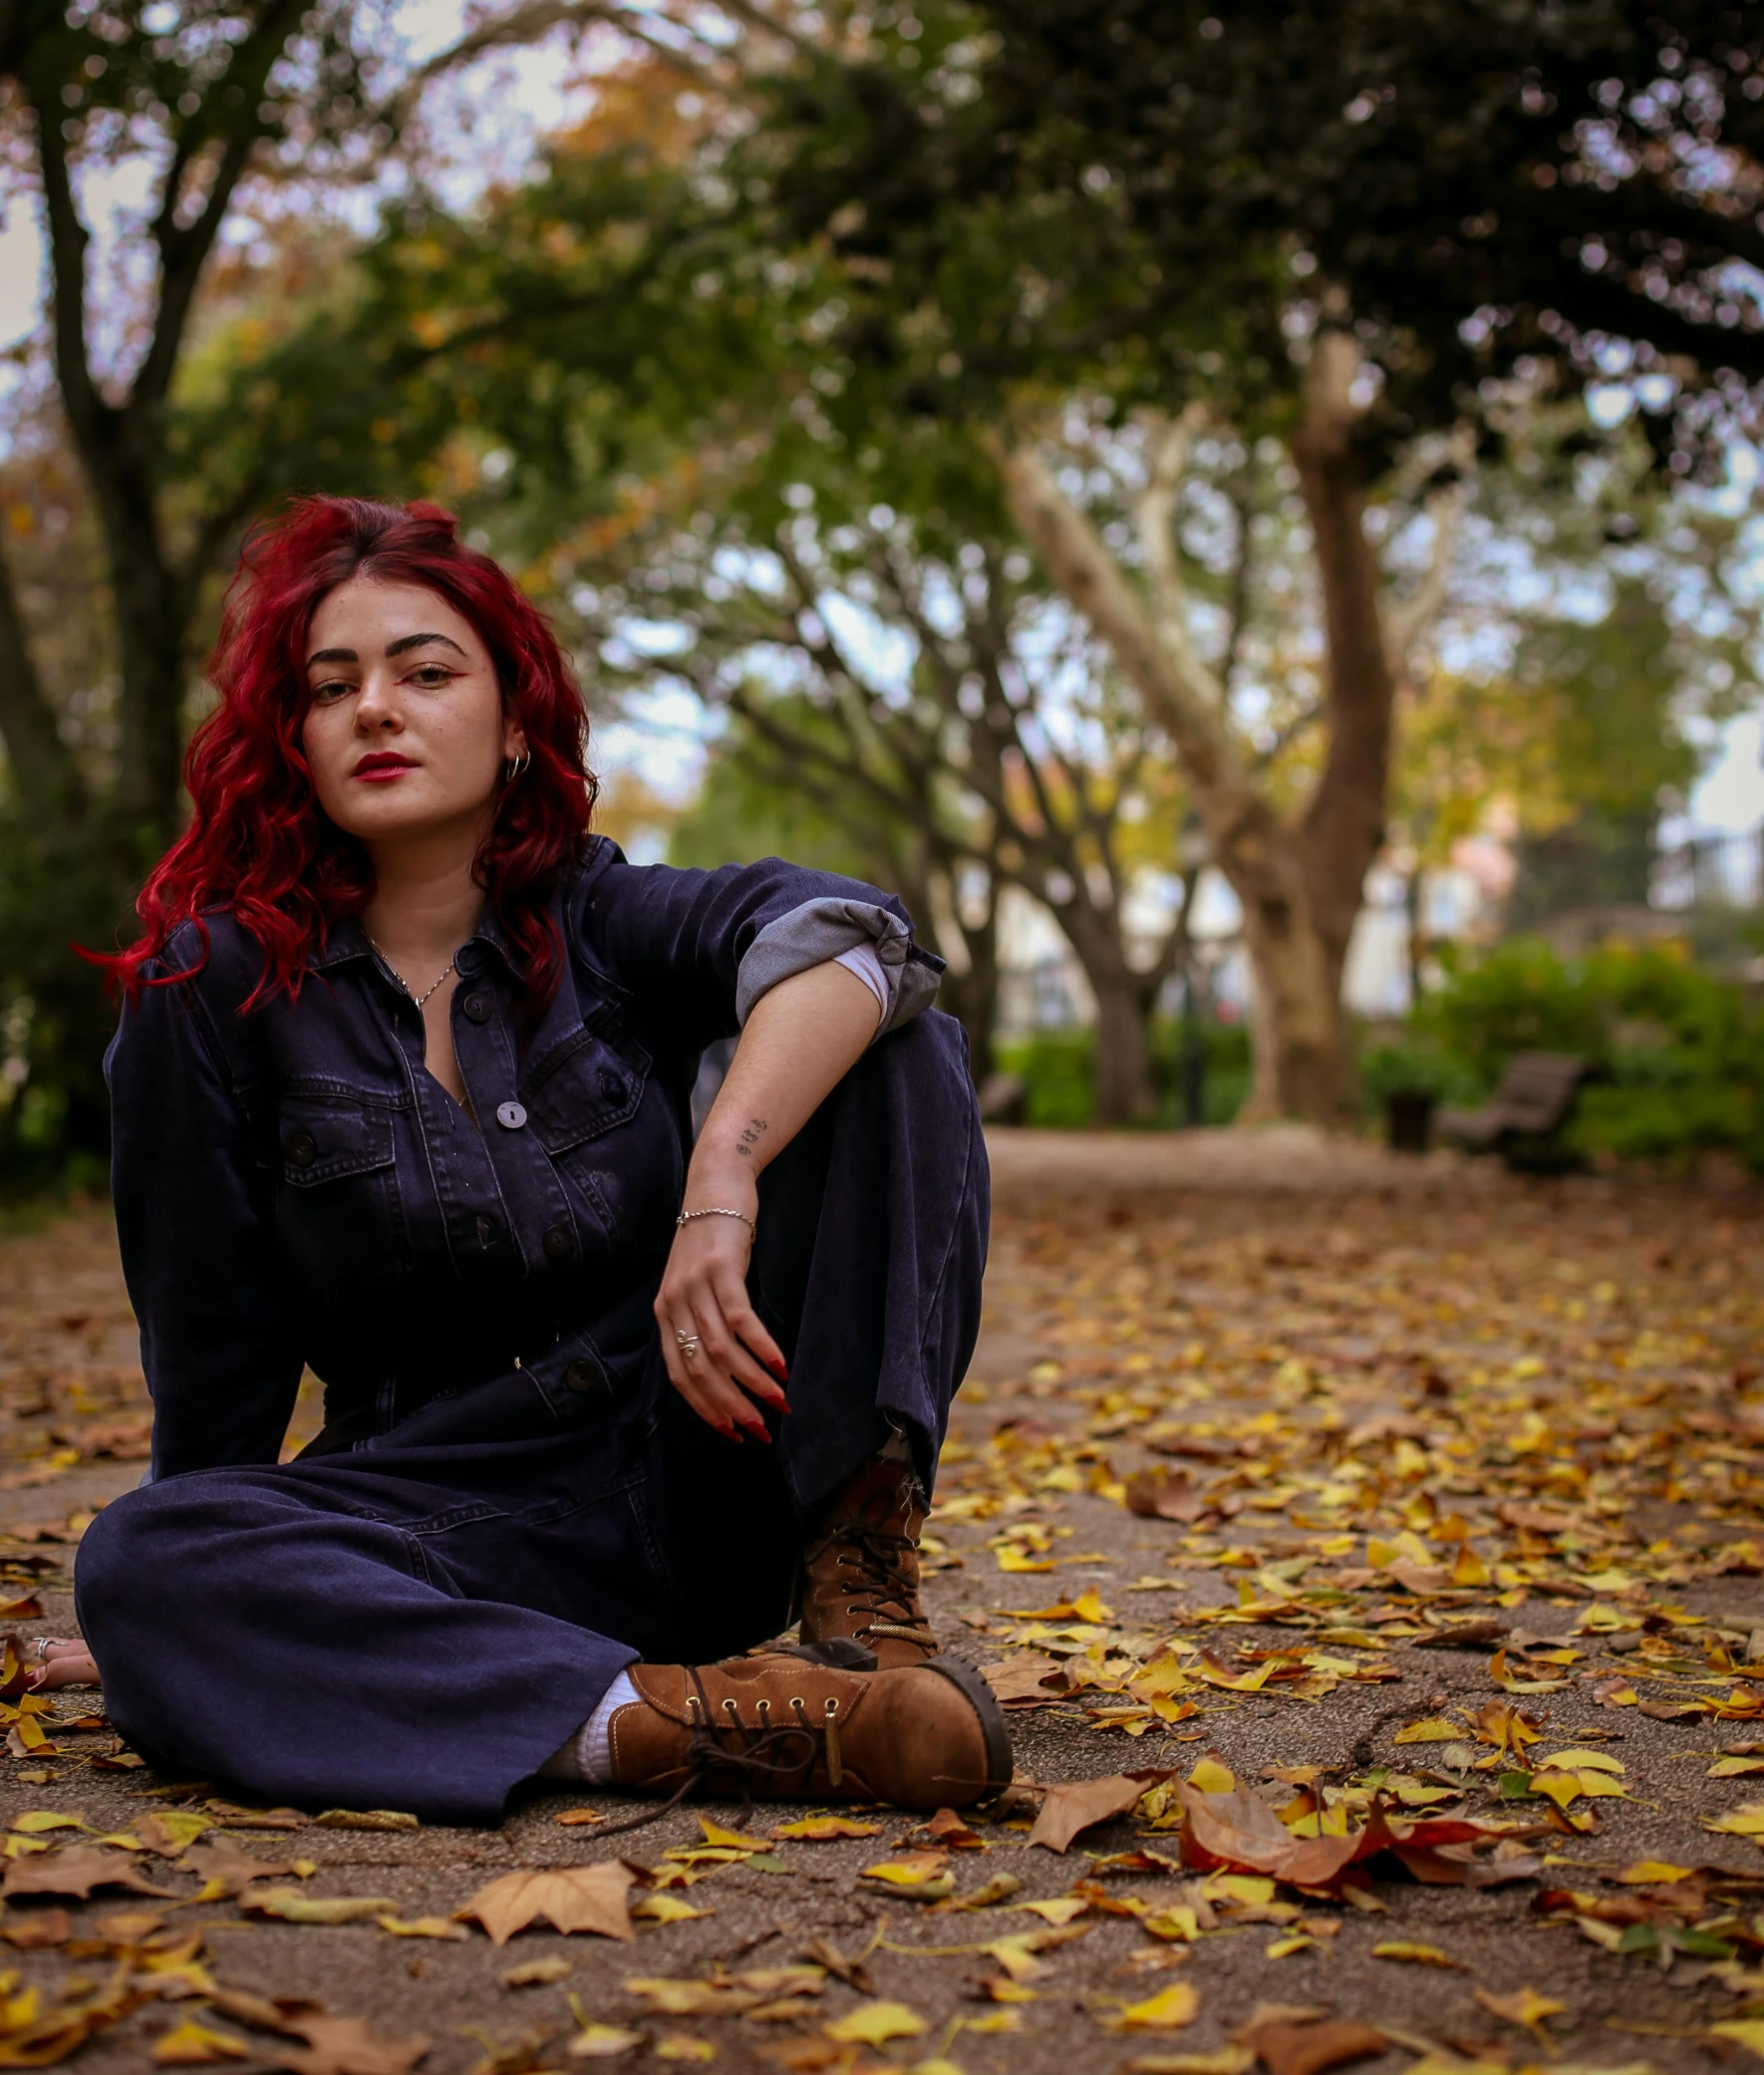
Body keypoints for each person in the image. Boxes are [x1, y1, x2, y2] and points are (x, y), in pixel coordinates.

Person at [58, 495, 1007, 1825]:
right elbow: (210, 1357)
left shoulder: (605, 918)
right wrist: (180, 1608)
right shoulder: (211, 989)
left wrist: (721, 1175)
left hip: (706, 1450)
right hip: (447, 1515)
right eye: (332, 688)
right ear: (297, 740)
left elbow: (859, 938)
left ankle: (860, 1596)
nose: (375, 708)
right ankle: (691, 1728)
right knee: (140, 1562)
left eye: (424, 671)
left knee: (894, 1039)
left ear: (514, 725)